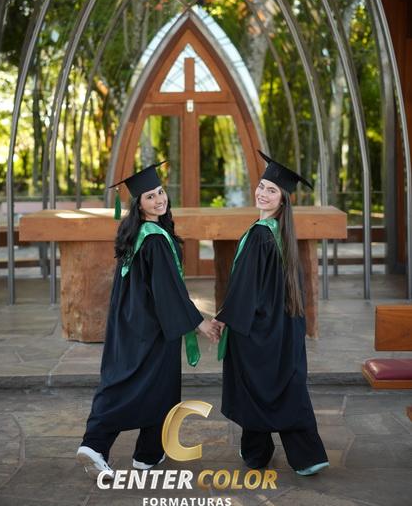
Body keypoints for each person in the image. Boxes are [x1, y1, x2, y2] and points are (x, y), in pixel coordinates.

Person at [77, 162, 219, 479]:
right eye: (150, 196)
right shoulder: (154, 240)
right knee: (148, 386)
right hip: (153, 327)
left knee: (137, 382)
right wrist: (200, 323)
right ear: (138, 204)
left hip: (130, 323)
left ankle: (147, 453)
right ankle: (99, 445)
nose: (158, 200)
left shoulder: (137, 233)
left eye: (160, 192)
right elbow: (167, 291)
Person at [214, 151, 329, 476]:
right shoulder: (280, 232)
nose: (263, 193)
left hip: (258, 327)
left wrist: (224, 318)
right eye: (262, 186)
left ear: (283, 200)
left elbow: (246, 288)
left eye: (272, 190)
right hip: (282, 327)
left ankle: (259, 453)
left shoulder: (260, 235)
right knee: (283, 384)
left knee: (254, 384)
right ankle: (291, 455)